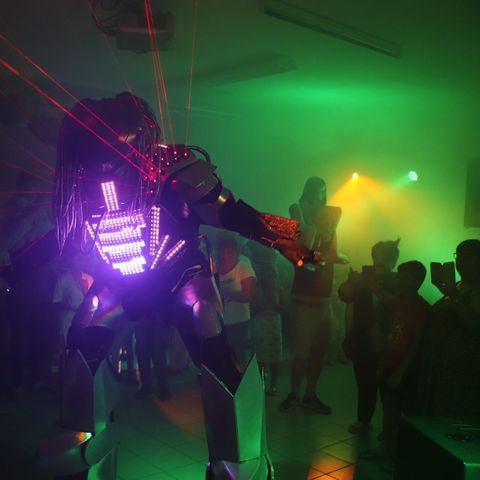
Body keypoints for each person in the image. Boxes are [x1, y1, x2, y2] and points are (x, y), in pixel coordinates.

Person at [45, 92, 316, 479]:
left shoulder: (174, 167)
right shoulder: (83, 176)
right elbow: (66, 234)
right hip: (120, 281)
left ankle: (239, 464)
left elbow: (227, 211)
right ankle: (84, 448)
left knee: (214, 347)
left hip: (181, 275)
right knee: (84, 338)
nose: (106, 163)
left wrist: (280, 238)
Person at [280, 176, 348, 413]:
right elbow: (301, 245)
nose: (320, 194)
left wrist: (340, 258)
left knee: (319, 352)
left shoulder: (331, 230)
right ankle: (294, 393)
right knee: (301, 354)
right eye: (317, 190)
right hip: (304, 300)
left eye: (323, 190)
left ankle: (310, 394)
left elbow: (335, 254)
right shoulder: (302, 224)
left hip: (325, 300)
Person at [338, 239, 400, 434]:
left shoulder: (398, 281)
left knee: (388, 389)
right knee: (364, 383)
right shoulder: (364, 280)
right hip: (364, 341)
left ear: (392, 261)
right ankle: (364, 420)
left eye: (381, 259)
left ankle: (390, 429)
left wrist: (379, 290)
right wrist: (351, 281)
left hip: (389, 343)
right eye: (374, 257)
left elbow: (401, 308)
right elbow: (344, 295)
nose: (376, 262)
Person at [371, 260, 430, 464]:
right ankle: (387, 447)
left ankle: (397, 452)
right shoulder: (396, 302)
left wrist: (401, 372)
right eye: (399, 277)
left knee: (403, 412)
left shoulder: (421, 308)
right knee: (388, 408)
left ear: (417, 282)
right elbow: (388, 336)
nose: (399, 281)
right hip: (390, 363)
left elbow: (417, 343)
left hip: (405, 368)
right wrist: (382, 363)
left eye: (404, 278)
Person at [416, 239, 480, 418]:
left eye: (466, 258)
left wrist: (451, 293)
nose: (460, 262)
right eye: (458, 256)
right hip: (442, 359)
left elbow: (474, 323)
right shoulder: (459, 285)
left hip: (463, 364)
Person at [215, 232, 256, 367]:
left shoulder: (244, 268)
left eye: (230, 251)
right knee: (221, 357)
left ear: (236, 251)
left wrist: (228, 294)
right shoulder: (214, 267)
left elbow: (249, 295)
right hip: (219, 323)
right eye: (223, 251)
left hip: (239, 322)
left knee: (237, 356)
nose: (226, 255)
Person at [249, 243, 284, 395]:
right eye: (268, 275)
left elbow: (283, 309)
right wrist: (265, 304)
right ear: (263, 277)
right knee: (261, 357)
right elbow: (253, 308)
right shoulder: (257, 289)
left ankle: (273, 384)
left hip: (274, 324)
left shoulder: (279, 290)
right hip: (261, 324)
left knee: (275, 356)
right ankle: (262, 383)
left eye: (273, 275)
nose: (271, 278)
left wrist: (275, 304)